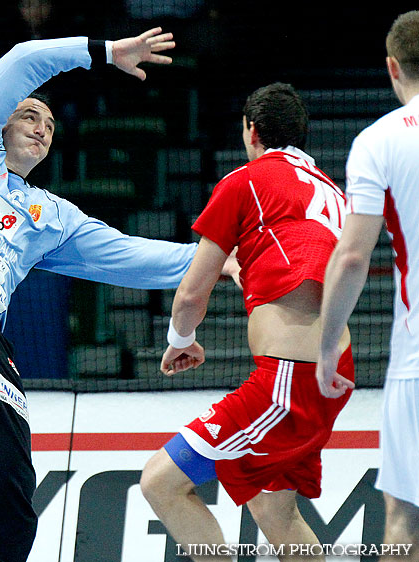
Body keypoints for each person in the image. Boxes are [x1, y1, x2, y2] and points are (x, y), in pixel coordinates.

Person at [0, 25, 238, 562]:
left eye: (51, 124)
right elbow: (23, 60)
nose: (42, 128)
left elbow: (128, 255)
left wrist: (215, 261)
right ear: (2, 122)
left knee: (12, 486)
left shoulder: (55, 218)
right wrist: (106, 53)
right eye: (29, 115)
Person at [140, 83, 355, 561]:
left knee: (160, 482)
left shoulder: (245, 181)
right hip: (331, 372)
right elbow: (300, 265)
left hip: (286, 378)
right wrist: (245, 267)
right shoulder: (331, 192)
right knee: (274, 511)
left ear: (251, 132)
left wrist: (182, 338)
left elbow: (192, 293)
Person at [316, 11, 419, 559]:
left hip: (417, 360)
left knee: (405, 517)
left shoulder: (380, 141)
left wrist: (329, 343)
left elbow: (353, 256)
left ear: (392, 67)